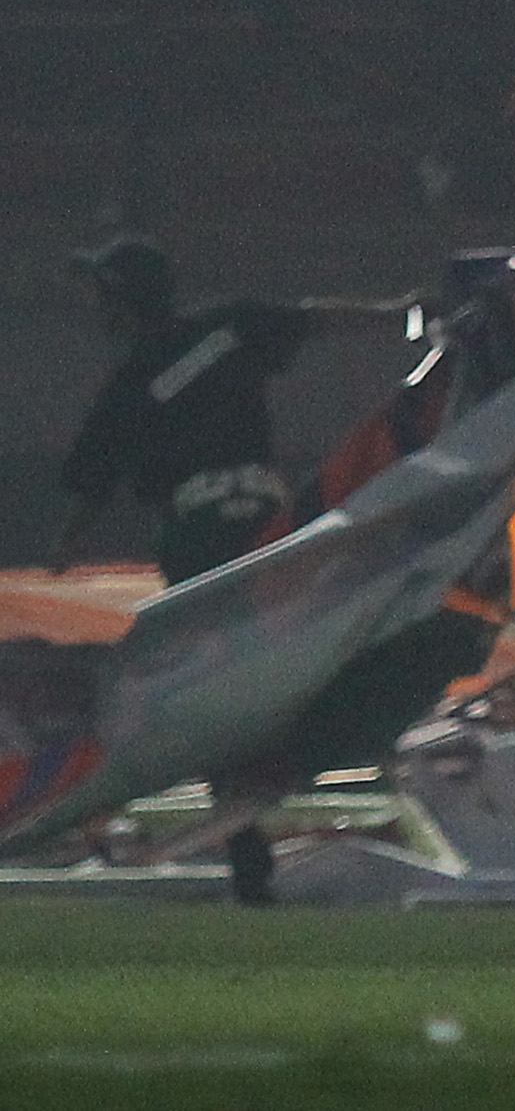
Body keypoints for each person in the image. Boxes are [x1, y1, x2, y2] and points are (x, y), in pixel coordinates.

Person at [60, 237, 411, 904]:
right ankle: (349, 744)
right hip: (274, 527)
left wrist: (63, 543)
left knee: (214, 687)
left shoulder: (129, 384)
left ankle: (250, 861)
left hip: (198, 535)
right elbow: (316, 317)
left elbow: (88, 486)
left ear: (122, 302)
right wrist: (404, 311)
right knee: (313, 648)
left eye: (101, 294)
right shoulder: (225, 327)